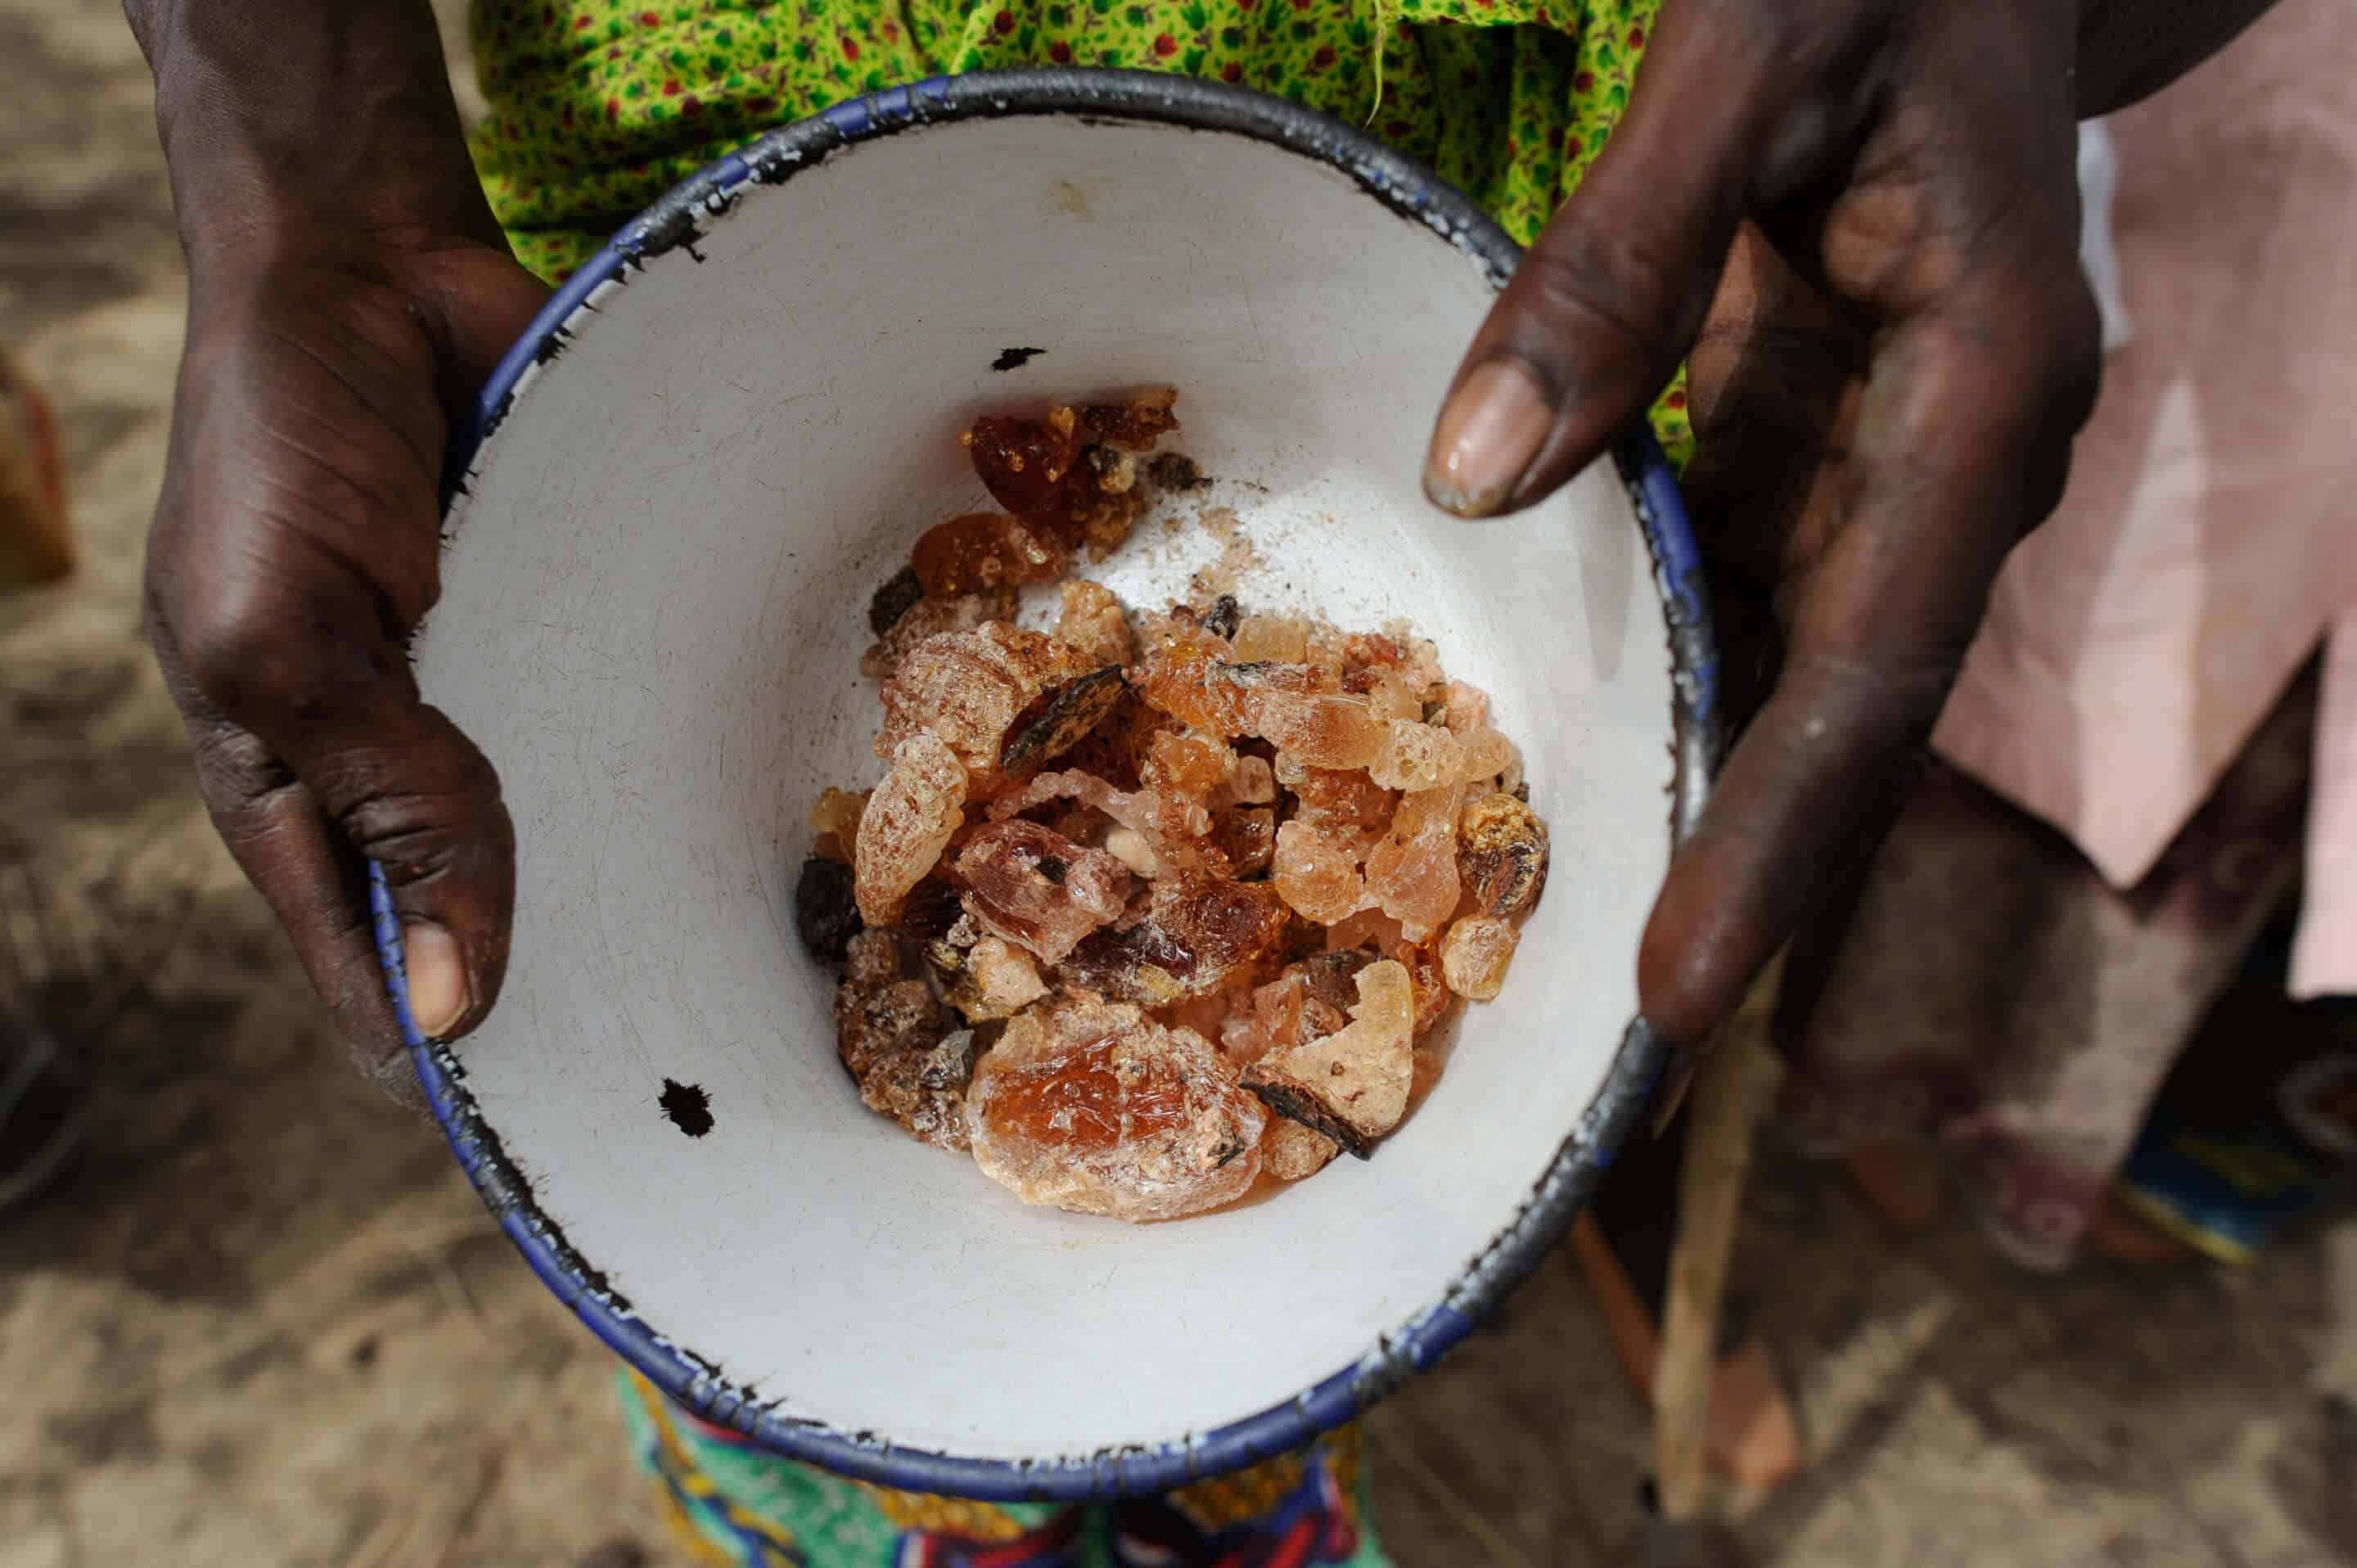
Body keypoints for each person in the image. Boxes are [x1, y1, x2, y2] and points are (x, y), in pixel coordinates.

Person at [121, 0, 2283, 1560]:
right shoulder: (947, 825)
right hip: (688, 161)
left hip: (1520, 188)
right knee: (824, 1416)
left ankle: (1301, 1450)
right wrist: (292, 168)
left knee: (1548, 1072)